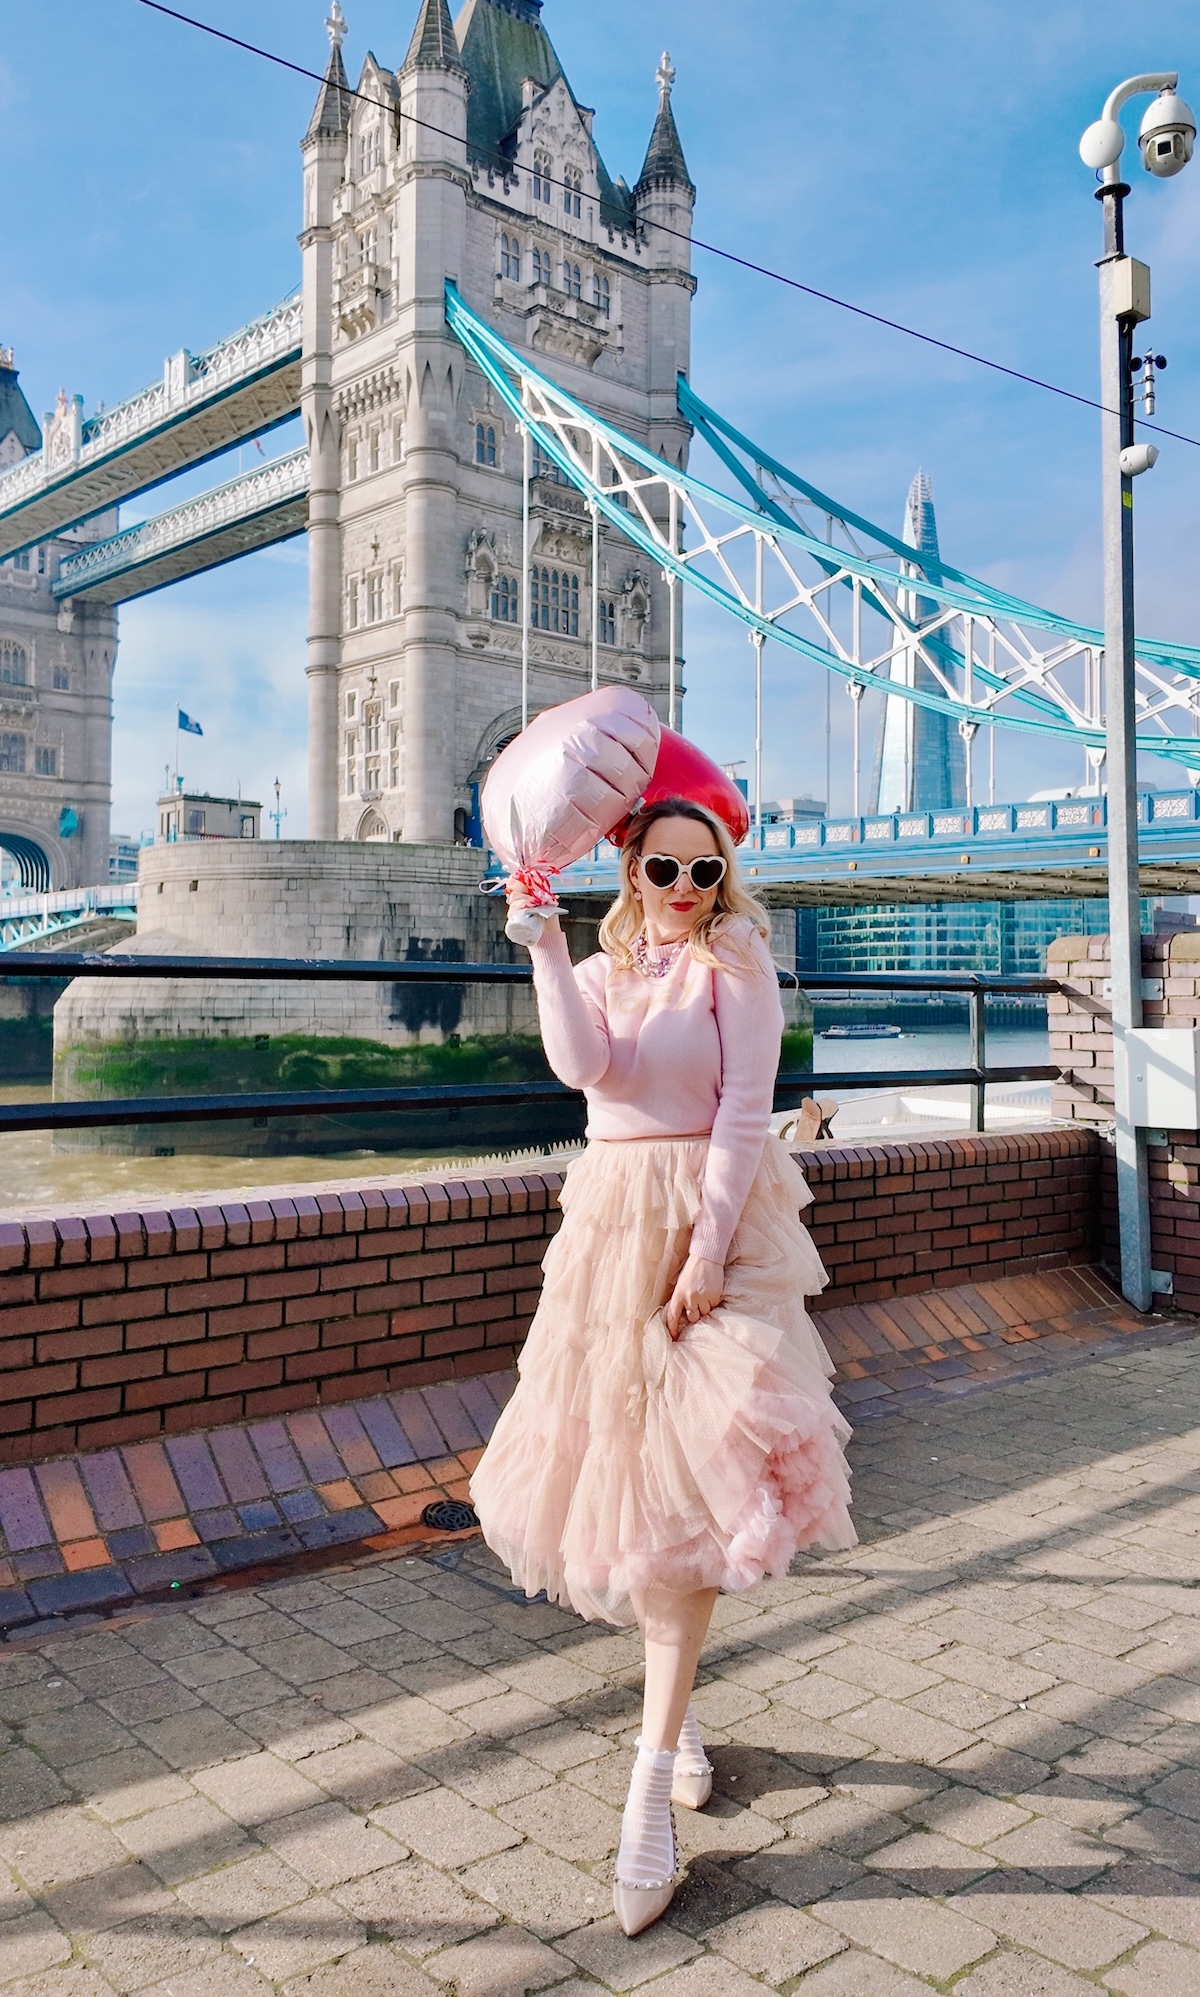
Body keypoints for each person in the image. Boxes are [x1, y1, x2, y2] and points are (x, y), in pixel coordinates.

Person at [471, 795, 855, 1935]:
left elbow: (745, 1115)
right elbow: (585, 1070)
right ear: (629, 870)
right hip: (607, 1223)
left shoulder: (736, 959)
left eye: (705, 867)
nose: (685, 885)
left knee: (702, 1474)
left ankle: (647, 1791)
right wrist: (541, 942)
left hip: (714, 1225)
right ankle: (675, 1717)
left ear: (722, 873)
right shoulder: (602, 973)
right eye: (663, 867)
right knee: (627, 1474)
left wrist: (707, 1250)